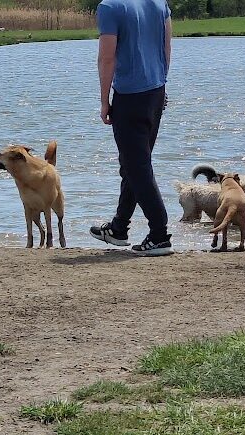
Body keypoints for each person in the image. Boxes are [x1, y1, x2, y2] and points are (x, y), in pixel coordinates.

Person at [89, 0, 174, 256]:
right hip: (155, 92)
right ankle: (118, 228)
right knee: (133, 164)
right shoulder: (159, 2)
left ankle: (159, 234)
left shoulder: (110, 7)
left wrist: (104, 101)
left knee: (137, 168)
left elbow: (106, 58)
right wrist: (162, 83)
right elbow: (166, 47)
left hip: (130, 96)